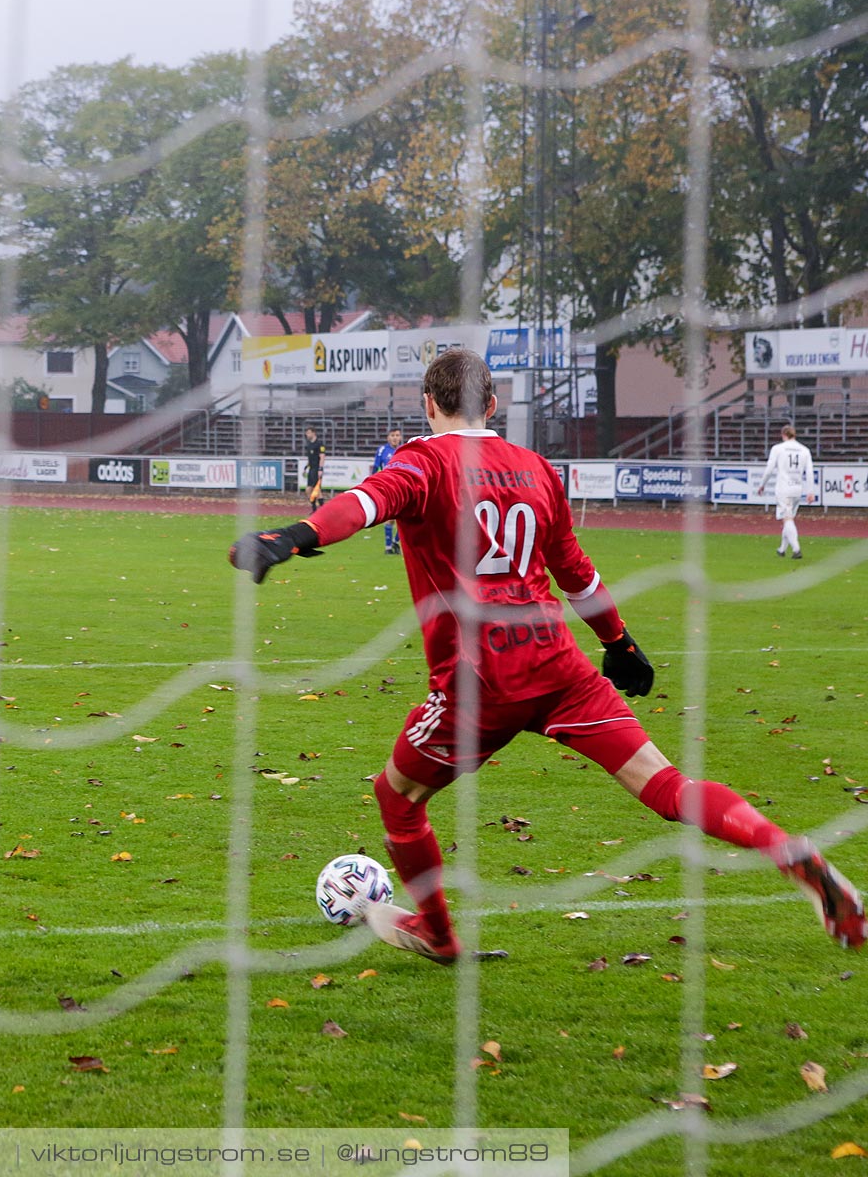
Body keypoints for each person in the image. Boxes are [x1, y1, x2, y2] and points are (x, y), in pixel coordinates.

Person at [231, 349, 863, 960]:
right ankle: (785, 847)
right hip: (558, 664)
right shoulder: (536, 468)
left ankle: (440, 935)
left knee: (396, 797)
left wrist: (292, 536)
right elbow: (576, 574)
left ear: (429, 405)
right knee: (667, 784)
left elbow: (364, 505)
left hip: (480, 681)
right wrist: (619, 642)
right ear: (494, 402)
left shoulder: (420, 463)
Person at [755, 424, 815, 560]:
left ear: (783, 435)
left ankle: (796, 548)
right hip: (797, 488)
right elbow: (810, 472)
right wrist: (810, 491)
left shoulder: (778, 449)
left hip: (784, 488)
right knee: (789, 519)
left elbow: (769, 468)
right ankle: (782, 549)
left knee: (787, 519)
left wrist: (762, 485)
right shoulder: (804, 450)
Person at [371, 427, 403, 555]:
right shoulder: (382, 450)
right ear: (388, 437)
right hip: (389, 488)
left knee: (404, 519)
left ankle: (395, 542)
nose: (395, 438)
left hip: (402, 488)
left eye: (397, 435)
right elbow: (375, 468)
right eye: (393, 435)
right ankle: (389, 547)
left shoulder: (404, 450)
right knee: (390, 519)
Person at [302, 427, 326, 513]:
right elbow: (310, 459)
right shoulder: (309, 445)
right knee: (308, 489)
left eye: (308, 432)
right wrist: (306, 468)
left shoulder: (319, 444)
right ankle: (314, 509)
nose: (307, 434)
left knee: (317, 489)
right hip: (311, 469)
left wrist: (320, 469)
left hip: (316, 469)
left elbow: (322, 457)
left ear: (313, 433)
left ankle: (324, 510)